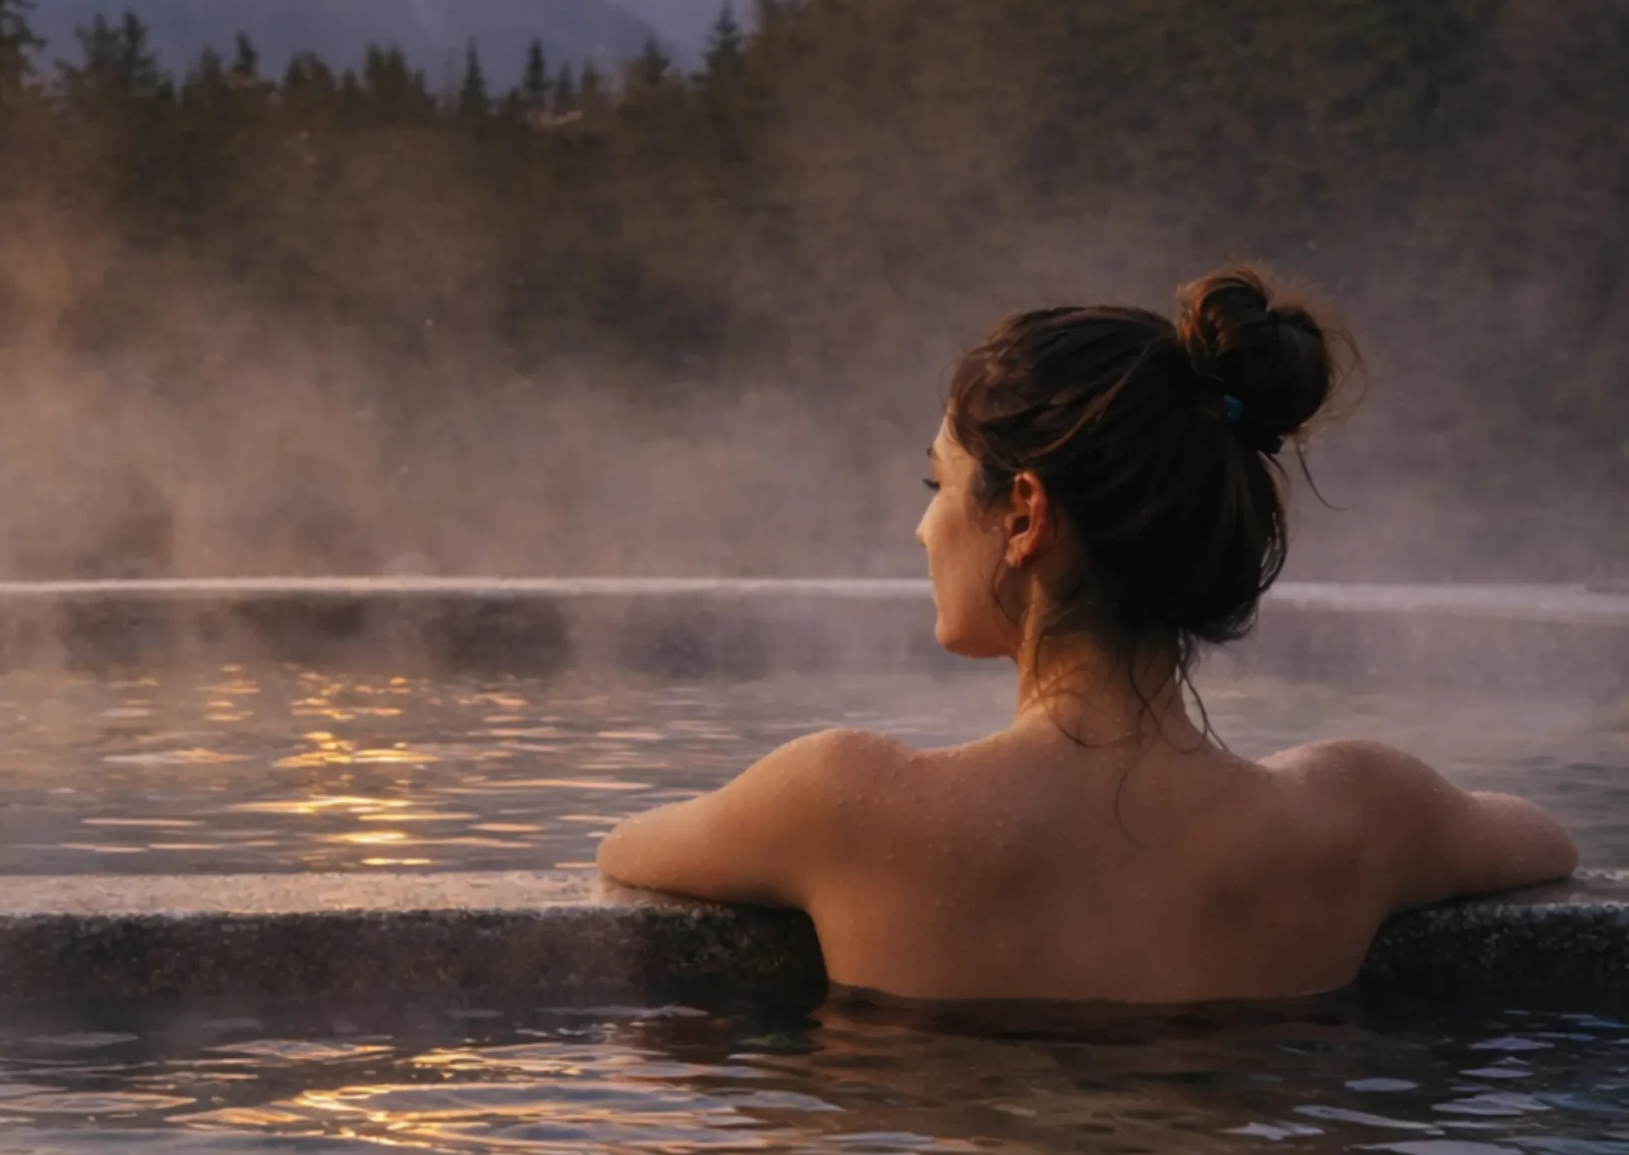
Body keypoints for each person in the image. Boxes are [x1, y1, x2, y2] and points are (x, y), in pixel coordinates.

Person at [597, 267, 1577, 1002]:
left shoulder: (843, 805)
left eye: (939, 484)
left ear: (1024, 515)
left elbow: (624, 848)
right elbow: (1549, 843)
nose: (922, 527)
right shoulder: (1359, 816)